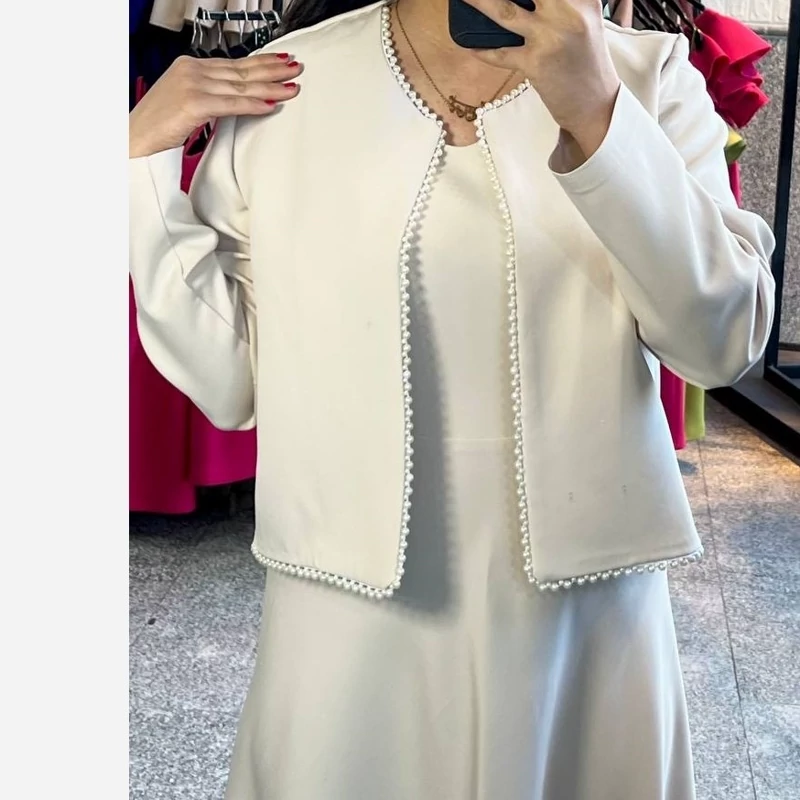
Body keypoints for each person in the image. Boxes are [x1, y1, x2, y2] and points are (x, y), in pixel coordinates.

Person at [128, 0, 775, 797]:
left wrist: (598, 115)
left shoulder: (647, 77)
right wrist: (139, 164)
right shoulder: (293, 84)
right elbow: (229, 383)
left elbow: (721, 345)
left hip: (584, 620)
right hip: (347, 618)